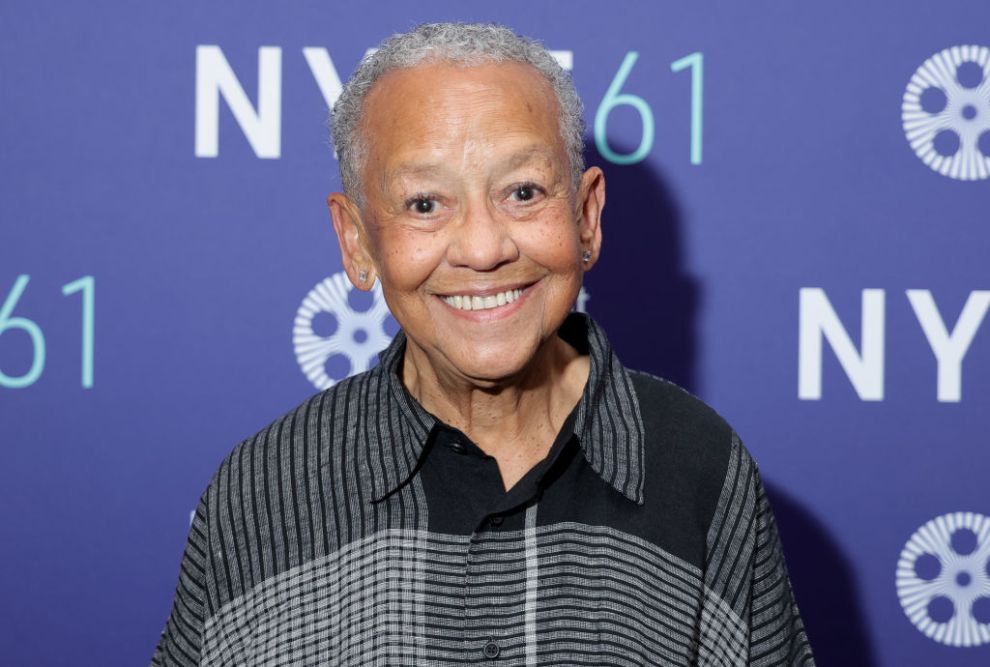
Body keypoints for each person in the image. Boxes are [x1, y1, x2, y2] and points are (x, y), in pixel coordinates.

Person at [152, 22, 814, 666]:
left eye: (522, 192)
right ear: (356, 242)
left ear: (586, 216)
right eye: (424, 204)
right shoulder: (261, 493)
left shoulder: (700, 468)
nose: (482, 248)